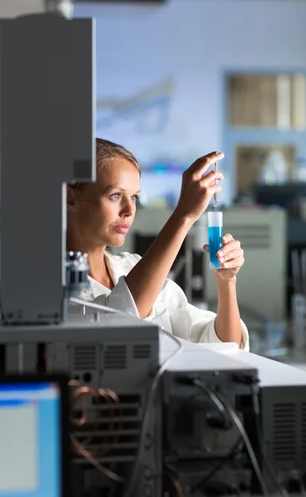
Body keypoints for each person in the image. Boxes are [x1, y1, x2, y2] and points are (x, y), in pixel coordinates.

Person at [67, 138, 249, 350]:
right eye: (115, 195)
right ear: (70, 199)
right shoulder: (50, 288)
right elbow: (119, 322)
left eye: (134, 197)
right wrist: (183, 216)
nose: (129, 210)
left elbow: (225, 346)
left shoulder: (133, 267)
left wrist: (227, 282)